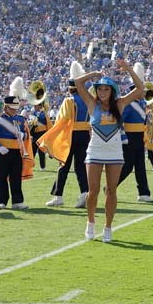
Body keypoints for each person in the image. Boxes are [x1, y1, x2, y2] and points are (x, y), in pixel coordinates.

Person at [75, 59, 144, 242]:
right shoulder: (91, 104)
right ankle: (90, 222)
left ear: (112, 91)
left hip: (114, 151)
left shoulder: (120, 104)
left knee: (112, 190)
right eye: (99, 88)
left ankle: (108, 226)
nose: (102, 92)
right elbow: (77, 83)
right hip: (95, 150)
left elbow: (140, 88)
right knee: (93, 191)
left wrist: (128, 69)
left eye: (106, 89)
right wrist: (93, 74)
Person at [44, 62, 90, 209]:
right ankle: (84, 193)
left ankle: (58, 196)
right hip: (86, 135)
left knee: (63, 165)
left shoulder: (69, 101)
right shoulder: (90, 100)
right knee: (81, 167)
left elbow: (61, 121)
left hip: (70, 135)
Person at [0, 80, 32, 210]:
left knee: (16, 177)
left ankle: (17, 201)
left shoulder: (21, 120)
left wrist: (22, 135)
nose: (15, 111)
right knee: (1, 177)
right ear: (5, 107)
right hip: (1, 152)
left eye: (16, 109)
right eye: (12, 108)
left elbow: (27, 135)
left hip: (16, 151)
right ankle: (2, 201)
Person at [117, 62, 153, 202]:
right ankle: (110, 186)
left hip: (139, 136)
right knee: (127, 166)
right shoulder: (128, 104)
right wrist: (123, 137)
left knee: (140, 166)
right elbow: (120, 120)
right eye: (141, 90)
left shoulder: (142, 103)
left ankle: (144, 193)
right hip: (130, 137)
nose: (144, 92)